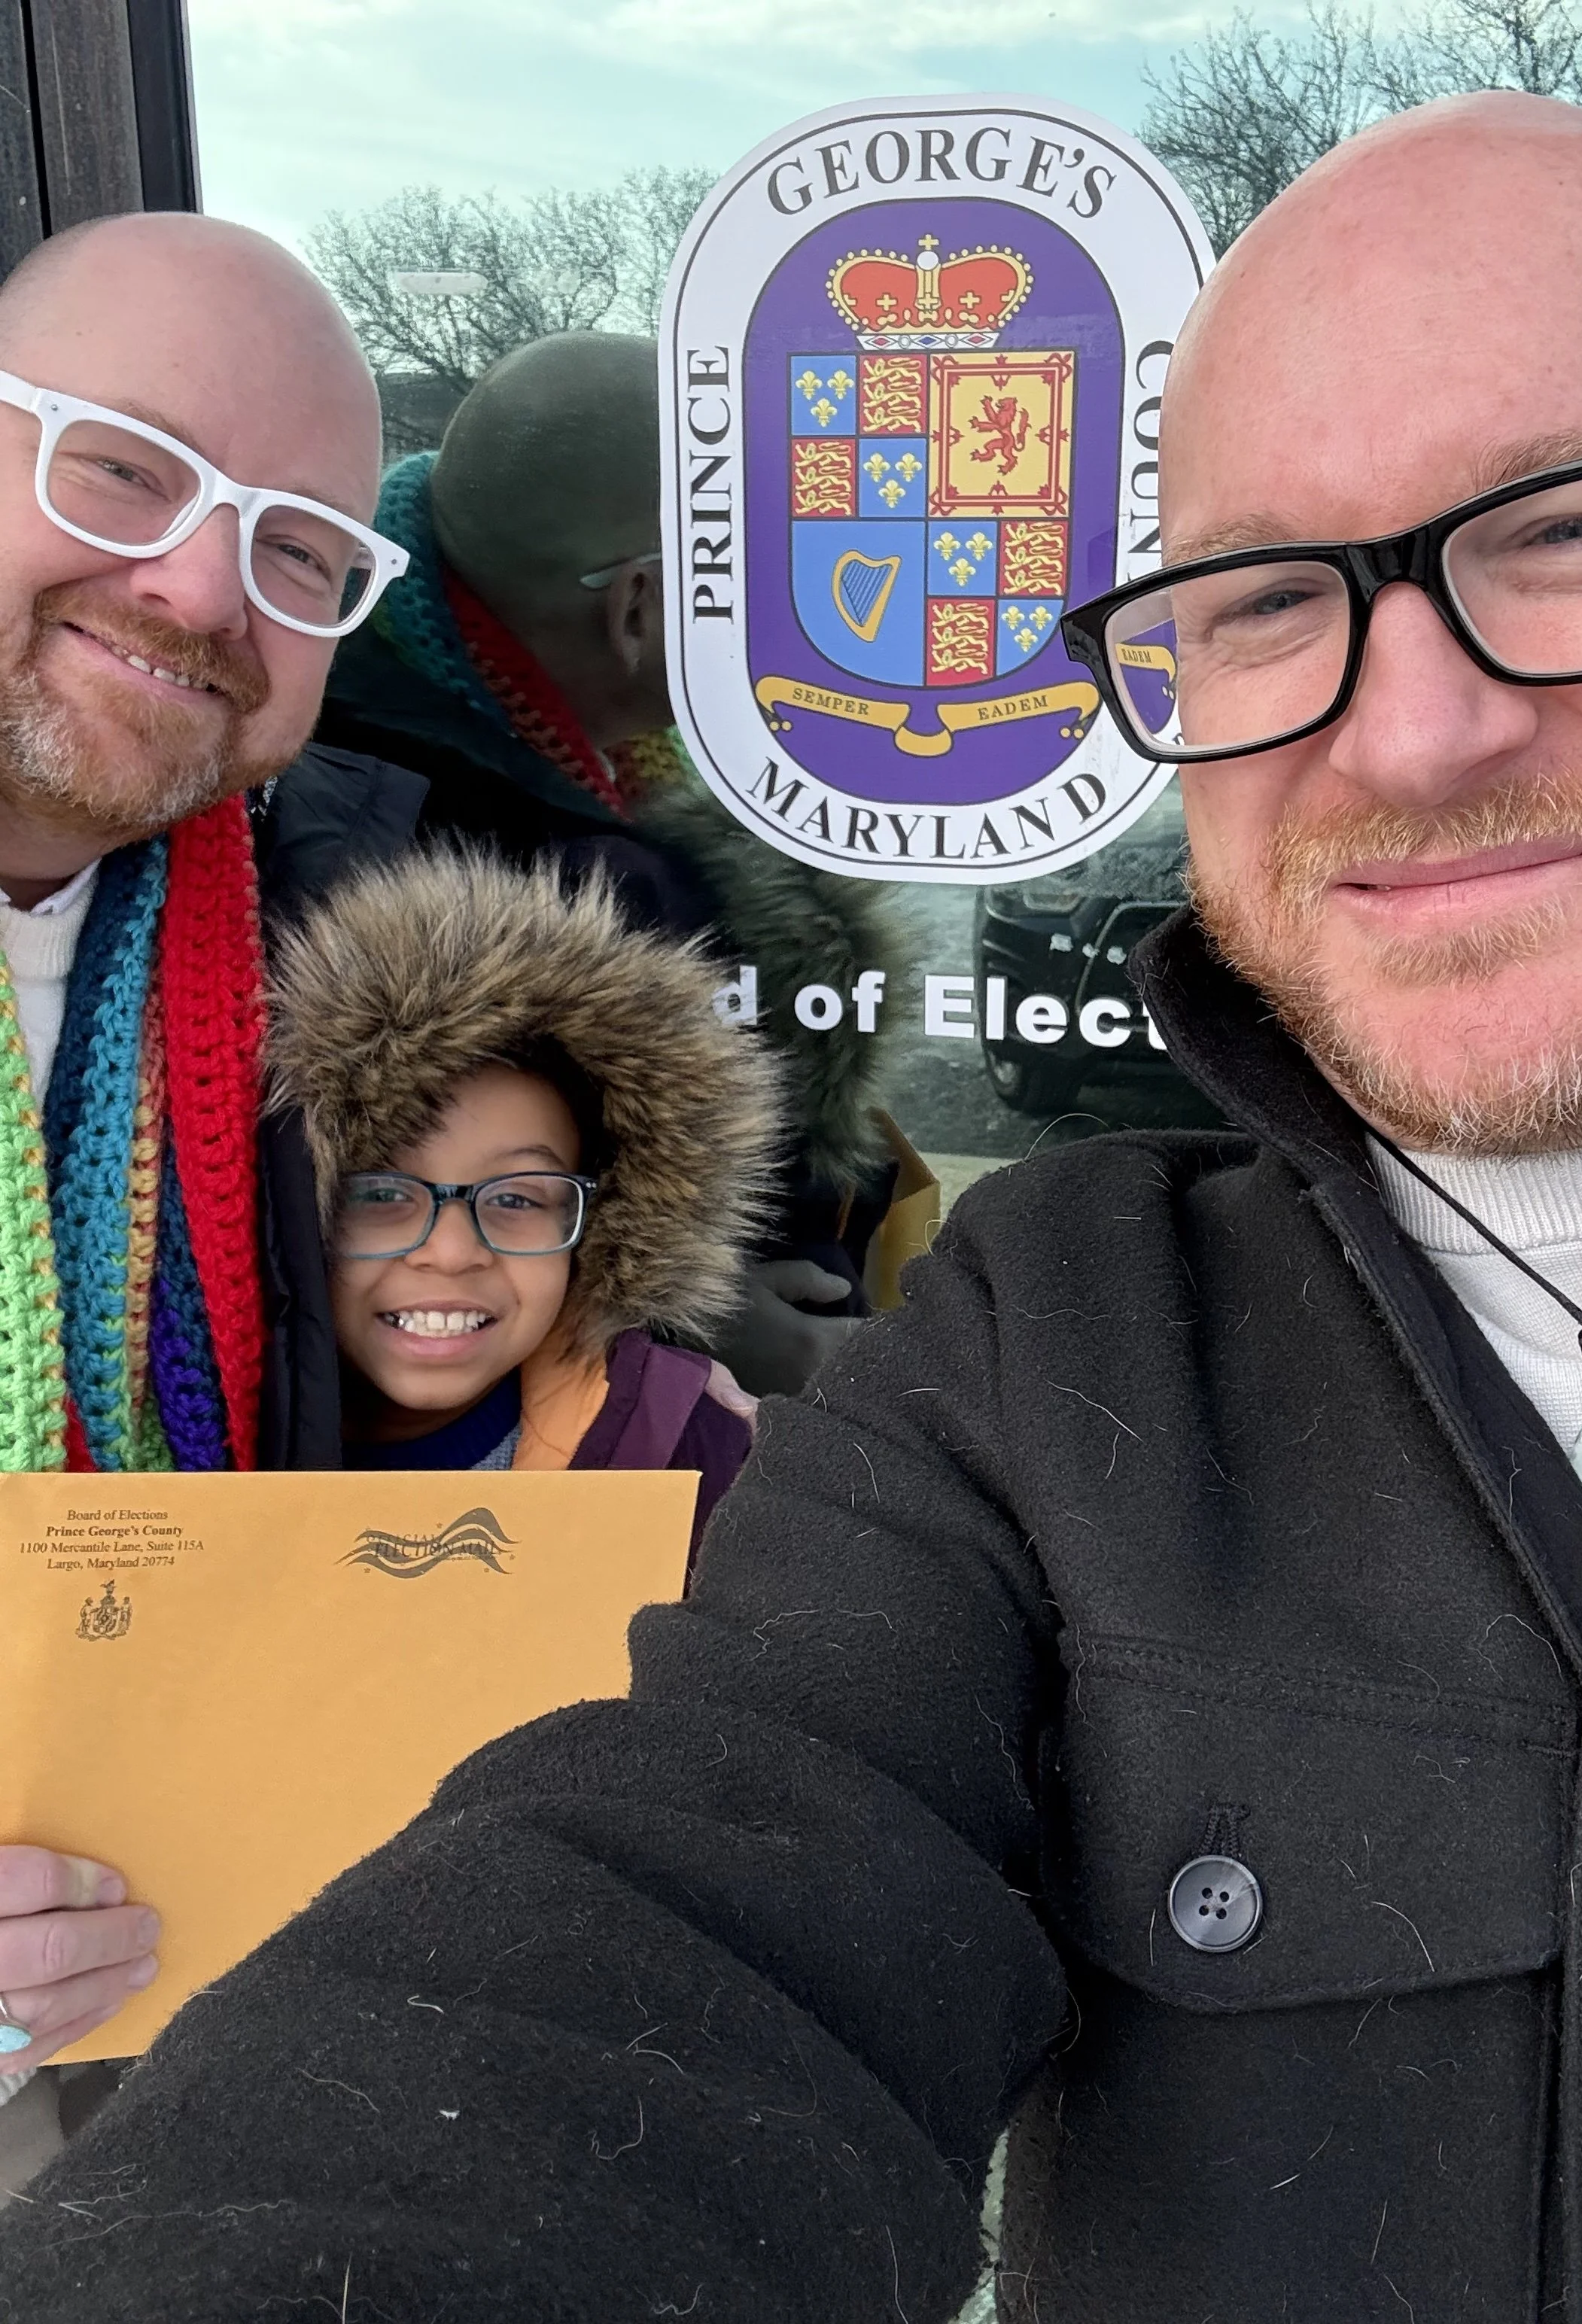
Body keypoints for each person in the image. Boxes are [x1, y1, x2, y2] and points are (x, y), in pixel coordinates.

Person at [9, 89, 1582, 2319]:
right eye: (1252, 597)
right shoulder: (1070, 1350)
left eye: (1579, 529)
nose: (1408, 732)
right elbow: (677, 1927)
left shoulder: (398, 910)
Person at [0, 212, 401, 2176]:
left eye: (299, 549)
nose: (196, 584)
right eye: (120, 463)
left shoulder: (381, 982)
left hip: (208, 2065)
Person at [281, 328, 915, 1395]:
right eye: (760, 576)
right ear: (638, 608)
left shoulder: (386, 757)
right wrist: (681, 1325)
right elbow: (404, 1240)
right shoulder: (478, 858)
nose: (787, 620)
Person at [269, 846, 776, 1553]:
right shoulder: (175, 1451)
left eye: (517, 1199)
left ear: (600, 1228)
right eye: (381, 1192)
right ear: (302, 1210)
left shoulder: (700, 1461)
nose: (449, 1252)